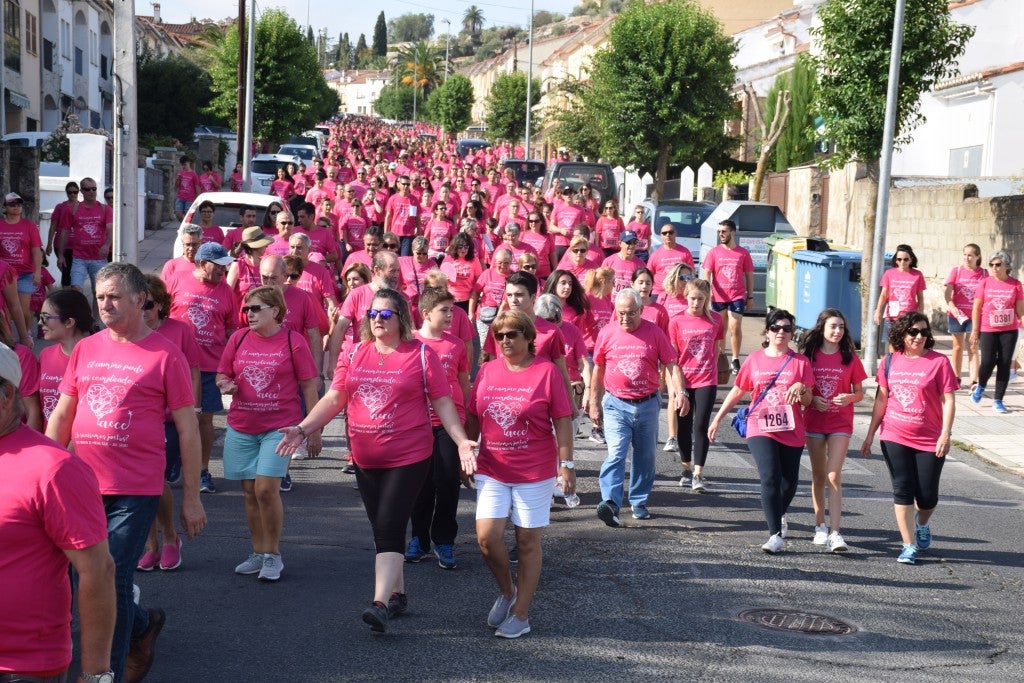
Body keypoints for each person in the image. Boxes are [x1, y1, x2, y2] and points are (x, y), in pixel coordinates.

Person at [276, 289, 474, 633]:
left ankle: (380, 603)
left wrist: (461, 442)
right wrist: (303, 428)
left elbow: (443, 402)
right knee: (384, 528)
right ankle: (398, 593)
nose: (377, 320)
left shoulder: (421, 355)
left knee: (389, 526)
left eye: (386, 315)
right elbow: (336, 396)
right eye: (372, 314)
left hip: (409, 454)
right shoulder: (354, 352)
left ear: (402, 319)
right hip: (365, 456)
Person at [46, 262, 207, 681]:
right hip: (81, 484)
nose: (105, 304)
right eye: (100, 296)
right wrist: (42, 467)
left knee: (109, 577)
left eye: (114, 296)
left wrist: (191, 498)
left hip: (135, 489)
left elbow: (188, 428)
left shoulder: (165, 354)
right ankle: (141, 625)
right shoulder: (86, 348)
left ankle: (106, 674)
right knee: (75, 577)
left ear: (140, 299)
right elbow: (64, 413)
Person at [0, 344, 117, 683]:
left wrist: (96, 675)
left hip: (22, 666)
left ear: (7, 393)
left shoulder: (54, 468)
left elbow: (98, 571)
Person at [463, 310, 574, 638]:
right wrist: (465, 452)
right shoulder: (486, 371)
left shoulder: (547, 372)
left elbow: (562, 421)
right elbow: (473, 415)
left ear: (528, 337)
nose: (506, 340)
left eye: (513, 334)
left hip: (534, 471)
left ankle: (522, 614)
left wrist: (566, 466)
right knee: (486, 538)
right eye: (500, 335)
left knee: (527, 541)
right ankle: (507, 591)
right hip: (492, 468)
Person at [218, 286, 321, 582]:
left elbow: (309, 386)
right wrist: (225, 384)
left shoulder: (293, 341)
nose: (248, 314)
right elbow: (222, 373)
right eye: (246, 309)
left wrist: (313, 429)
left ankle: (273, 555)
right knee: (249, 492)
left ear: (275, 311)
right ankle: (258, 552)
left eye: (255, 308)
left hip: (280, 429)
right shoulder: (237, 339)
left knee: (265, 489)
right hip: (242, 426)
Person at [708, 309, 813, 554]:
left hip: (791, 427)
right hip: (760, 424)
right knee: (770, 476)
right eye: (776, 328)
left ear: (792, 333)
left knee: (789, 483)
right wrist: (718, 418)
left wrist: (801, 387)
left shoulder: (801, 363)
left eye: (787, 328)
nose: (781, 333)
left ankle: (779, 513)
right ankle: (775, 534)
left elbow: (808, 401)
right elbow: (738, 391)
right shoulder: (755, 359)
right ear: (767, 331)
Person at [861, 312, 957, 565]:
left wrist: (946, 433)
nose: (919, 337)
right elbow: (882, 399)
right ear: (902, 334)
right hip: (894, 434)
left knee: (926, 495)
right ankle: (908, 544)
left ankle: (922, 523)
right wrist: (871, 433)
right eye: (913, 332)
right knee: (902, 488)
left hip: (930, 437)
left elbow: (949, 400)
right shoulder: (890, 361)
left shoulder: (939, 362)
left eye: (924, 332)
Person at [592, 288, 685, 525]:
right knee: (616, 453)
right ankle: (610, 503)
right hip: (616, 404)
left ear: (641, 310)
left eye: (631, 313)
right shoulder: (607, 333)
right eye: (620, 313)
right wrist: (593, 402)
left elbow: (671, 363)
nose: (625, 318)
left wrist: (680, 392)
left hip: (647, 404)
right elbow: (598, 368)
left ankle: (638, 501)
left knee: (645, 457)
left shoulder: (654, 332)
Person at [136, 275, 201, 573]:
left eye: (148, 304)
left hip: (171, 420)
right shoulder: (129, 333)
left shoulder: (179, 331)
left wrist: (194, 410)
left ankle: (170, 538)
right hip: (137, 421)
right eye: (138, 303)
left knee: (155, 480)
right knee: (142, 484)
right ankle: (151, 545)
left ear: (161, 305)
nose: (143, 310)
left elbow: (194, 371)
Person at [405, 287, 471, 570]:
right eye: (444, 310)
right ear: (426, 313)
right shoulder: (410, 343)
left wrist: (462, 420)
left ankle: (444, 539)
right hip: (417, 423)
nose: (451, 315)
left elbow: (464, 383)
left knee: (447, 482)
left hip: (448, 424)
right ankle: (418, 538)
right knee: (420, 485)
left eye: (452, 310)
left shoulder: (456, 345)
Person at [167, 242, 239, 494]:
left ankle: (202, 470)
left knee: (205, 419)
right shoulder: (176, 280)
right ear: (201, 264)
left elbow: (231, 330)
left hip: (209, 366)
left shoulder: (226, 292)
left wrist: (232, 365)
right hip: (176, 364)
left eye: (226, 265)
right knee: (172, 417)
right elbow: (158, 316)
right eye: (218, 265)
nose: (224, 269)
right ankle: (173, 460)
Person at [799, 308, 866, 553]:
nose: (837, 331)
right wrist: (812, 399)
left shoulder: (850, 358)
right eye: (833, 327)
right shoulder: (810, 356)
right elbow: (803, 388)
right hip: (814, 421)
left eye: (841, 327)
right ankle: (820, 526)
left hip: (840, 423)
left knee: (833, 475)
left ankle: (836, 533)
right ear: (822, 329)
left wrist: (850, 398)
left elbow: (860, 392)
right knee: (818, 475)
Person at [667, 278, 724, 491]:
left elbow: (718, 345)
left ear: (706, 299)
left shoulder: (716, 319)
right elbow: (672, 357)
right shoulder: (676, 321)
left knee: (701, 425)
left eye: (700, 299)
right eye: (692, 298)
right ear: (686, 297)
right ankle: (685, 468)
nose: (696, 303)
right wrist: (675, 387)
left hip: (707, 379)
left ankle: (699, 473)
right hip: (684, 379)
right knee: (684, 424)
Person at [969, 250, 1024, 413]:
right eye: (991, 264)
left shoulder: (1016, 284)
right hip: (988, 328)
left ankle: (998, 400)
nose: (994, 268)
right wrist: (974, 330)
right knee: (987, 361)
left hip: (1009, 330)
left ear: (1006, 266)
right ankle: (981, 386)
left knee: (1005, 363)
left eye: (998, 264)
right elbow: (976, 307)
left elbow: (1020, 310)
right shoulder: (984, 283)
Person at [701, 219, 754, 374]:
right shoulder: (714, 252)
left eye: (724, 231)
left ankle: (735, 359)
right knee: (720, 329)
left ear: (732, 232)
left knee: (735, 327)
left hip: (736, 296)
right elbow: (707, 272)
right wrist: (707, 291)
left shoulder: (743, 253)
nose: (721, 234)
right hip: (718, 297)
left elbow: (749, 276)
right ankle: (721, 356)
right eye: (719, 232)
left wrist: (750, 297)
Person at [38, 288, 94, 430]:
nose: (39, 323)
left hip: (81, 445)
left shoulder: (97, 358)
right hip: (51, 443)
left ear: (69, 322)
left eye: (45, 317)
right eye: (39, 317)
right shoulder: (45, 355)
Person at [1, 192, 43, 341]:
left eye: (19, 204)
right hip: (5, 274)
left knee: (24, 309)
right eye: (12, 204)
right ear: (5, 207)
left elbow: (36, 250)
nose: (17, 207)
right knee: (5, 309)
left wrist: (37, 272)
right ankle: (8, 338)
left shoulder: (29, 225)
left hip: (25, 273)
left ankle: (26, 334)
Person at [944, 243, 984, 388]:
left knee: (973, 347)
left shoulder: (984, 274)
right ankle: (956, 377)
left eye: (970, 255)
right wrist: (952, 306)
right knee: (957, 346)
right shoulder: (956, 271)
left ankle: (974, 381)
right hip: (957, 315)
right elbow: (947, 293)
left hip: (975, 316)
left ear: (977, 257)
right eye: (965, 255)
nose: (967, 258)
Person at [873, 244, 925, 341]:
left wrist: (920, 315)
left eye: (906, 259)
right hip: (892, 317)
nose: (902, 262)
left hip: (910, 317)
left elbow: (920, 297)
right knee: (892, 345)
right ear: (896, 260)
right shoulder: (889, 273)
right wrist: (878, 311)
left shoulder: (917, 275)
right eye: (899, 259)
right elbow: (884, 294)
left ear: (911, 259)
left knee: (907, 343)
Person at [648, 219, 695, 297]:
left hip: (679, 292)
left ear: (675, 233)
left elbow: (691, 273)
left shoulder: (685, 252)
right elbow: (649, 274)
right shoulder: (655, 254)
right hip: (659, 293)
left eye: (670, 232)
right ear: (661, 235)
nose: (667, 235)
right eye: (664, 233)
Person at [46, 180, 80, 287]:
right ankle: (66, 295)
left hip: (77, 246)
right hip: (61, 244)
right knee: (66, 270)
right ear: (66, 193)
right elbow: (53, 226)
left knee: (72, 271)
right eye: (70, 192)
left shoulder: (82, 207)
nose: (72, 194)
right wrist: (49, 244)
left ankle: (71, 294)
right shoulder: (60, 207)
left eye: (75, 192)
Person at [601, 230, 645, 295]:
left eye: (634, 242)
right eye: (628, 242)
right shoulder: (608, 262)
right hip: (611, 304)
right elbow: (601, 285)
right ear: (620, 243)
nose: (632, 245)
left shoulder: (641, 265)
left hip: (630, 304)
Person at [174, 156, 200, 222]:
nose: (184, 166)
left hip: (190, 199)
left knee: (187, 216)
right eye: (182, 165)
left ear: (189, 163)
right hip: (180, 197)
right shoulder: (180, 173)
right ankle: (184, 226)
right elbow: (176, 186)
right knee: (178, 214)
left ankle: (186, 228)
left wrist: (198, 198)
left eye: (185, 164)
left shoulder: (194, 174)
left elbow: (197, 187)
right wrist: (178, 180)